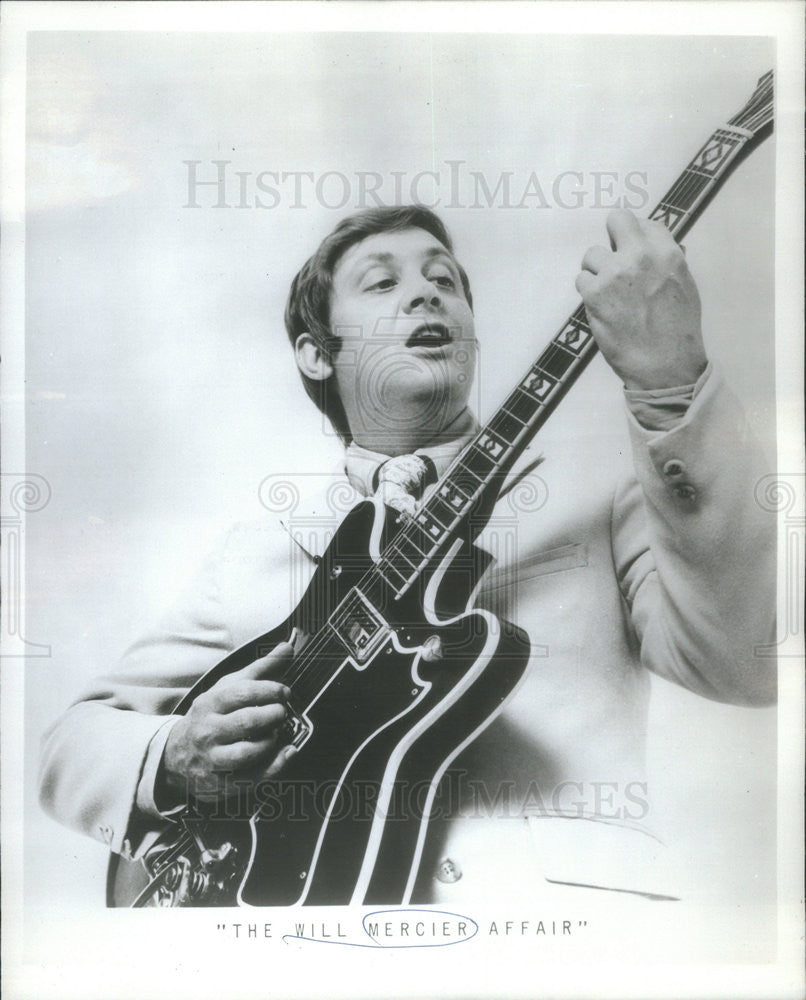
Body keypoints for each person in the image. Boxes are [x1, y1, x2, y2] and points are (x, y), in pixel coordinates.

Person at [39, 205, 776, 905]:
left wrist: (673, 388)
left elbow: (748, 664)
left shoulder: (605, 489)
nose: (426, 292)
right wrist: (175, 756)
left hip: (555, 942)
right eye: (383, 282)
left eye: (444, 279)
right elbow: (72, 743)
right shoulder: (254, 554)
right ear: (317, 353)